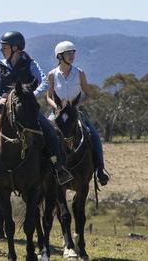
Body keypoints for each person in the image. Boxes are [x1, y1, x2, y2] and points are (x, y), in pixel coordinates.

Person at [0, 31, 74, 189]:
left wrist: (30, 96)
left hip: (28, 110)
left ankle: (58, 168)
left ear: (15, 48)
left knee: (51, 131)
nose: (2, 50)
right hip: (3, 110)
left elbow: (44, 82)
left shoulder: (31, 63)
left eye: (4, 47)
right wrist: (0, 99)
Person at [47, 41, 109, 186]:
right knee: (45, 135)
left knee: (93, 135)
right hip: (57, 113)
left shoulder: (79, 73)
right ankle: (43, 171)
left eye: (73, 53)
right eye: (69, 53)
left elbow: (88, 95)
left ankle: (100, 170)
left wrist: (76, 105)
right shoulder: (52, 75)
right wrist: (56, 106)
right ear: (60, 56)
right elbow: (48, 96)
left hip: (76, 112)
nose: (72, 56)